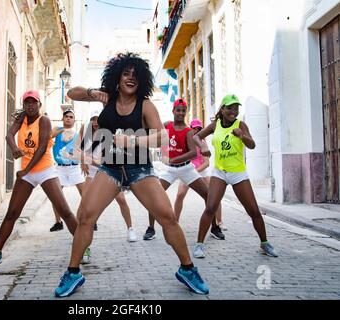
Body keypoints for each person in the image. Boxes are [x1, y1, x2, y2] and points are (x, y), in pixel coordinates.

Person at [54, 52, 209, 298]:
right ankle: (73, 273)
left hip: (140, 170)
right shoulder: (108, 98)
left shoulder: (145, 104)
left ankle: (188, 269)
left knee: (167, 217)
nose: (130, 78)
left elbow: (161, 137)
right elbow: (72, 93)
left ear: (142, 81)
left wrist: (132, 140)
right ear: (117, 76)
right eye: (125, 73)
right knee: (85, 216)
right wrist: (96, 93)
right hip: (110, 169)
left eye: (135, 75)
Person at [0, 90, 78, 268]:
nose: (30, 105)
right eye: (27, 102)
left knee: (64, 211)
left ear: (39, 104)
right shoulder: (22, 119)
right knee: (12, 213)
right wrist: (14, 149)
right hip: (27, 173)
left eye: (33, 102)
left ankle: (84, 248)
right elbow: (9, 135)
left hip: (45, 170)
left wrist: (25, 169)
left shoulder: (44, 120)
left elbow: (42, 147)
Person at [193, 94, 278, 258]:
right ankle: (199, 245)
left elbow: (252, 145)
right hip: (220, 172)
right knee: (210, 207)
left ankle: (264, 243)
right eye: (230, 108)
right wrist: (202, 147)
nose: (233, 111)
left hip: (238, 173)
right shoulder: (215, 125)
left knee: (253, 211)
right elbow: (196, 136)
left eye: (236, 108)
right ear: (222, 109)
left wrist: (242, 136)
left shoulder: (241, 124)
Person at [142, 99, 225, 244]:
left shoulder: (188, 131)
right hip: (169, 170)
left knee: (208, 195)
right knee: (154, 197)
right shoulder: (167, 125)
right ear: (173, 111)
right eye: (178, 110)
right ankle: (151, 228)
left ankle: (214, 227)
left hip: (186, 168)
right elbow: (152, 129)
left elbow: (193, 153)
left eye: (183, 110)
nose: (180, 113)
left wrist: (175, 159)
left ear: (185, 113)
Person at [76, 108, 137, 243]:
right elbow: (79, 150)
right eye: (93, 119)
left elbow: (109, 159)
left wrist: (90, 161)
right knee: (84, 204)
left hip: (106, 172)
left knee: (121, 200)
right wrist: (82, 162)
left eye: (98, 119)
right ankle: (80, 235)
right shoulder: (86, 132)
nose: (96, 122)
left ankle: (130, 229)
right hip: (92, 174)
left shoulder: (108, 134)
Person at [173, 119, 226, 233]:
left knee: (213, 195)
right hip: (188, 170)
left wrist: (195, 172)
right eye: (194, 128)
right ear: (190, 128)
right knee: (180, 194)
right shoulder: (186, 141)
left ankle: (219, 222)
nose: (196, 130)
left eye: (199, 129)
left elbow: (207, 163)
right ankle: (175, 222)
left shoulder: (203, 143)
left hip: (202, 170)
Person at [49, 109, 89, 232]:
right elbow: (49, 136)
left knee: (85, 194)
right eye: (66, 116)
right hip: (60, 168)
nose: (68, 118)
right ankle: (58, 222)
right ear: (63, 118)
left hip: (74, 168)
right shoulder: (57, 131)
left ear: (74, 120)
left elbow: (82, 150)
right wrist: (64, 130)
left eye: (71, 117)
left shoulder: (77, 135)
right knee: (55, 196)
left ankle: (88, 219)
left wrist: (83, 163)